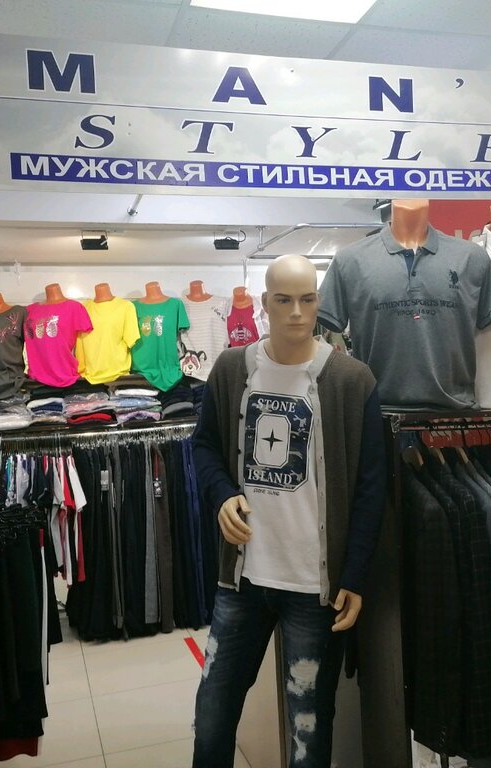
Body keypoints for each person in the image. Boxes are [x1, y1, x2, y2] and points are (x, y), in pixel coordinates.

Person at [191, 254, 386, 768]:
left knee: (309, 730)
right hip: (244, 579)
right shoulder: (232, 368)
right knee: (212, 714)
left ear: (319, 302)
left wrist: (355, 574)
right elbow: (204, 446)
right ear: (264, 304)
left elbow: (372, 486)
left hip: (314, 589)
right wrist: (222, 495)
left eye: (307, 299)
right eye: (283, 300)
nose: (297, 312)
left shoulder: (351, 380)